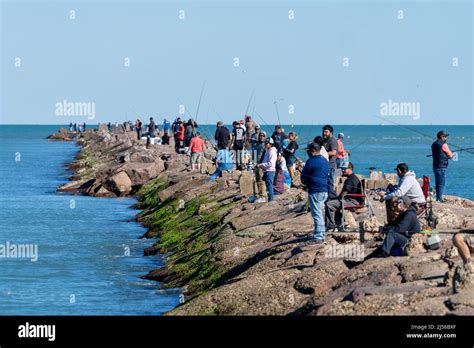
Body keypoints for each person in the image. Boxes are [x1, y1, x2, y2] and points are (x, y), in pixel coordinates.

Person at [301, 142, 329, 244]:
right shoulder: (325, 160)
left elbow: (303, 178)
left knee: (317, 214)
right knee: (319, 214)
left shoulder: (310, 161)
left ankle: (319, 237)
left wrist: (305, 180)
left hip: (315, 191)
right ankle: (321, 234)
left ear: (312, 150)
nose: (307, 152)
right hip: (324, 190)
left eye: (308, 150)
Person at [325, 162, 362, 231]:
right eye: (342, 169)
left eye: (344, 169)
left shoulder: (350, 179)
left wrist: (337, 198)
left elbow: (344, 193)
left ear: (350, 169)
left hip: (352, 201)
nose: (342, 170)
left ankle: (330, 225)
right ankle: (338, 223)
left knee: (329, 204)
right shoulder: (352, 177)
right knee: (334, 202)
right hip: (353, 199)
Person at [431, 130, 454, 202]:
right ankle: (439, 199)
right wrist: (452, 154)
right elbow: (450, 156)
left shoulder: (433, 144)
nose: (446, 138)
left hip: (435, 166)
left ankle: (438, 198)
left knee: (438, 183)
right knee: (441, 184)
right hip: (441, 166)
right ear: (442, 136)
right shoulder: (444, 145)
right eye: (445, 136)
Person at [256, 138, 277, 202]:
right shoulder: (268, 150)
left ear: (270, 144)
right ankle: (268, 199)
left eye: (266, 143)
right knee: (267, 186)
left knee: (269, 186)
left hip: (270, 171)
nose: (265, 144)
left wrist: (261, 165)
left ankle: (271, 200)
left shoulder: (272, 152)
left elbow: (271, 163)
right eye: (265, 143)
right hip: (267, 171)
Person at [322, 125, 338, 191]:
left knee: (329, 182)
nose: (324, 133)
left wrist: (322, 154)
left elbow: (334, 152)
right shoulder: (325, 140)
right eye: (323, 132)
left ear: (331, 133)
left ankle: (330, 196)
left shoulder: (332, 140)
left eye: (326, 132)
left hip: (330, 165)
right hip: (324, 165)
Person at [253, 131, 267, 202]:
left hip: (261, 165)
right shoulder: (257, 143)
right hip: (256, 164)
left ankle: (263, 196)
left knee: (261, 180)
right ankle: (259, 195)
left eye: (263, 135)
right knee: (257, 180)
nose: (261, 137)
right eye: (260, 135)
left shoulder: (265, 145)